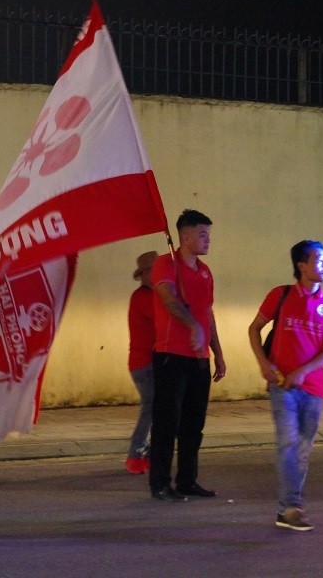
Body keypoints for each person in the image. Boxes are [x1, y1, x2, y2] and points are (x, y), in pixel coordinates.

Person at [247, 240, 323, 531]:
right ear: (301, 266)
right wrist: (264, 363)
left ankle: (286, 508)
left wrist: (304, 371)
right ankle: (291, 506)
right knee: (288, 442)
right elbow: (254, 329)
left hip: (313, 389)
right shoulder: (281, 295)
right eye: (318, 261)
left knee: (303, 449)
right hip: (282, 387)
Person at [148, 209, 226, 502]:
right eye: (203, 234)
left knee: (194, 423)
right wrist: (191, 325)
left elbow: (208, 312)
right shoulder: (165, 264)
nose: (208, 240)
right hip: (171, 356)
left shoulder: (205, 272)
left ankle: (187, 480)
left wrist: (217, 352)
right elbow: (169, 299)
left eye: (209, 234)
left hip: (199, 359)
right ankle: (159, 483)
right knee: (167, 422)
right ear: (185, 235)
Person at [125, 250, 158, 475]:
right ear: (146, 273)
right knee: (152, 407)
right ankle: (136, 453)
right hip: (145, 362)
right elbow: (164, 318)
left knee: (155, 408)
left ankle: (145, 453)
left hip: (146, 362)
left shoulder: (148, 296)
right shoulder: (144, 297)